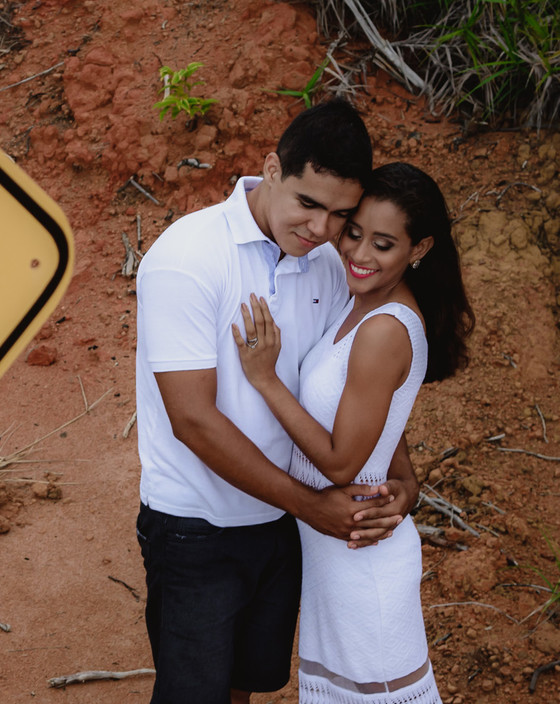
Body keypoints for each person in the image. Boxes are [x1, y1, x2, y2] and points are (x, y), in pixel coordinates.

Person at [134, 98, 420, 704]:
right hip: (197, 525)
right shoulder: (187, 258)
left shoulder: (327, 265)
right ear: (271, 169)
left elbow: (350, 387)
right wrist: (312, 506)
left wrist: (404, 477)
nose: (320, 229)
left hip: (279, 529)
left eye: (339, 215)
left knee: (246, 687)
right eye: (308, 203)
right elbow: (192, 419)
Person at [233, 162, 473, 702]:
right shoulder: (360, 303)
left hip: (365, 565)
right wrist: (406, 484)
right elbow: (381, 420)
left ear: (419, 248)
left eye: (383, 244)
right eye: (354, 233)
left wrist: (266, 380)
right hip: (336, 557)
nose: (360, 254)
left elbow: (341, 463)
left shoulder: (384, 329)